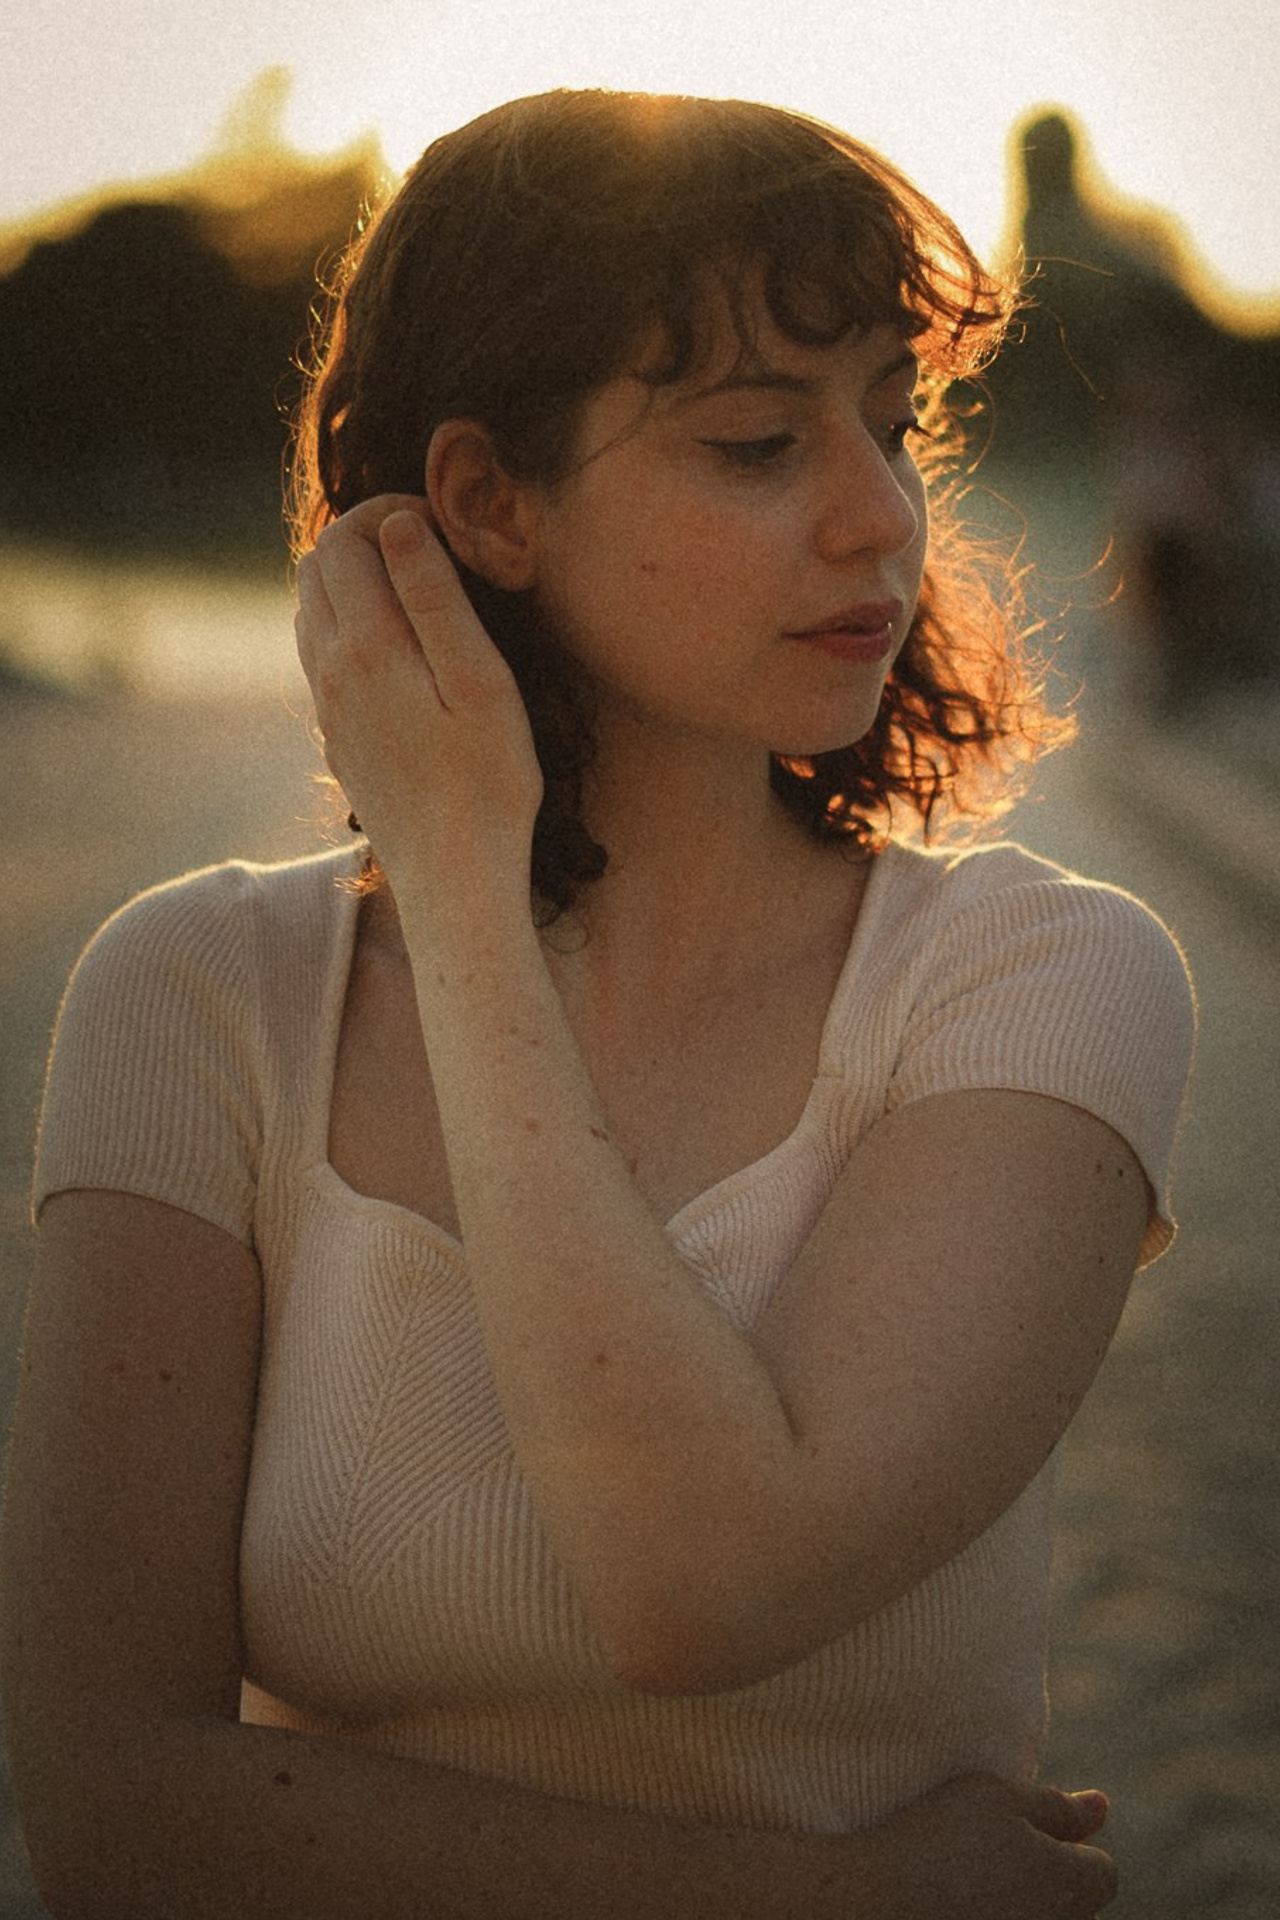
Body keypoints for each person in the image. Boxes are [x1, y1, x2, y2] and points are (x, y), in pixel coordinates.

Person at [1, 89, 1194, 1917]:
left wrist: (467, 904)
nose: (881, 518)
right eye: (752, 444)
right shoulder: (195, 998)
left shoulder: (1035, 979)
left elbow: (697, 1579)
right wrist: (833, 1905)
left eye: (894, 424)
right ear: (488, 503)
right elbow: (111, 1813)